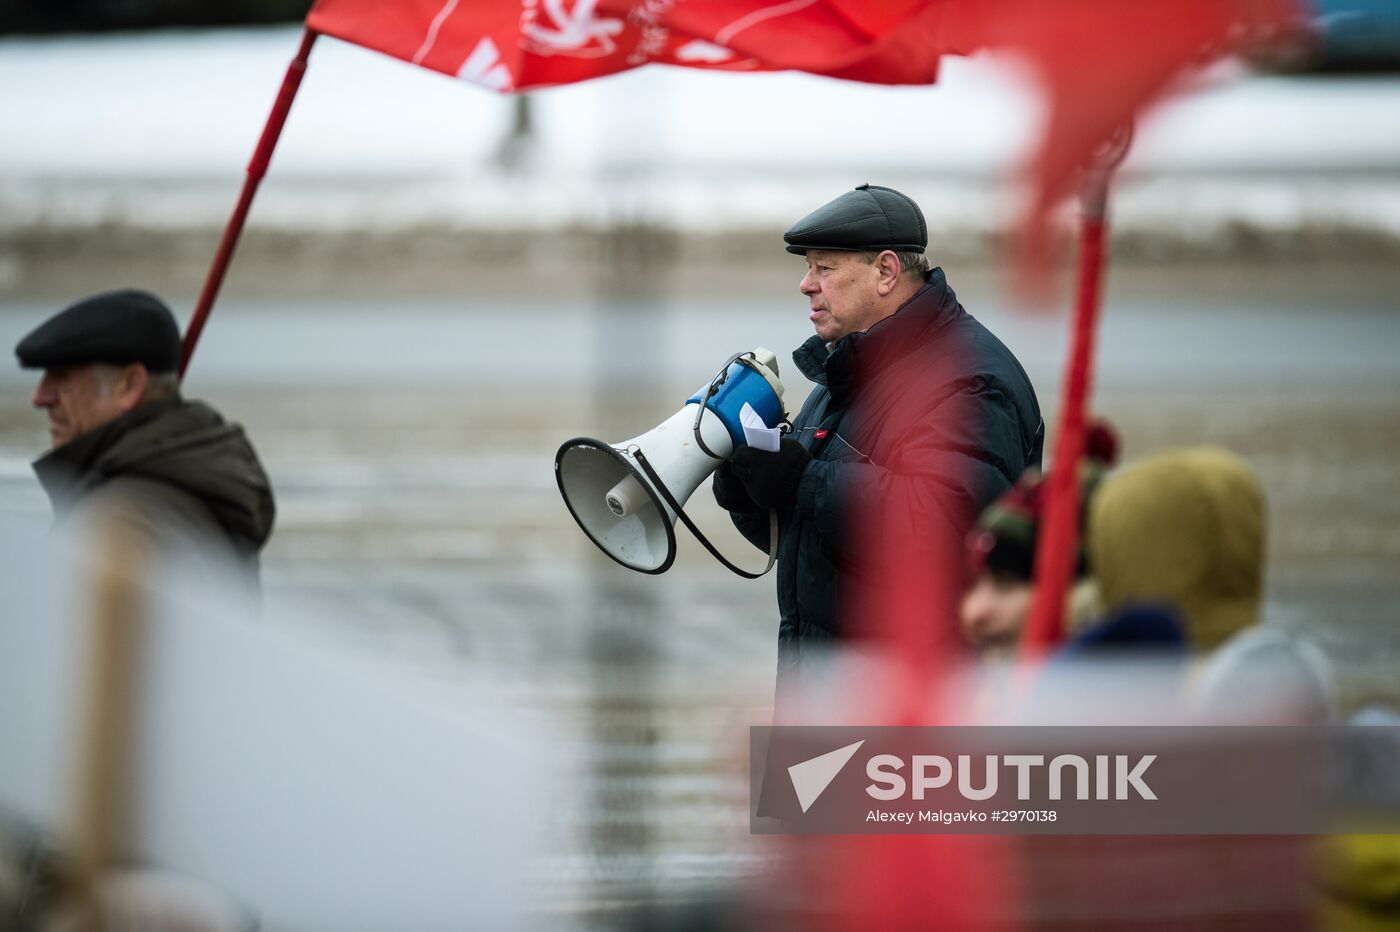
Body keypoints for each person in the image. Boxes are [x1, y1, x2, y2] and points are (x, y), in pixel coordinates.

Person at [712, 184, 1043, 695]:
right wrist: (753, 495)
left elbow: (947, 535)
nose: (805, 284)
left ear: (886, 271)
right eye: (808, 268)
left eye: (824, 268)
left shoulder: (970, 379)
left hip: (916, 716)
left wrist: (804, 481)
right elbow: (816, 545)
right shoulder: (848, 370)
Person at [14, 289, 275, 586]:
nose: (40, 397)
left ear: (130, 385)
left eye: (61, 376)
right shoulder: (199, 483)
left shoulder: (117, 527)